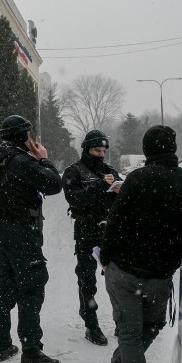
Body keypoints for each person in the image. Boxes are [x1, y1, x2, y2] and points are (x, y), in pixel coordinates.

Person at [92, 125, 182, 363]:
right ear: (173, 147)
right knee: (148, 329)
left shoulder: (138, 179)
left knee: (130, 335)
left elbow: (115, 221)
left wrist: (107, 257)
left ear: (148, 150)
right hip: (161, 274)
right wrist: (172, 259)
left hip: (127, 270)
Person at [0, 115, 64, 363]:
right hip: (23, 235)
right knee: (31, 290)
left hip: (2, 232)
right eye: (29, 134)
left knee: (3, 290)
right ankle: (31, 353)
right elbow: (53, 184)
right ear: (23, 136)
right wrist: (44, 159)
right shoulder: (20, 160)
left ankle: (2, 344)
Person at [62, 130, 121, 346]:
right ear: (87, 149)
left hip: (110, 232)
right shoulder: (73, 172)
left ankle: (121, 321)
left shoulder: (111, 171)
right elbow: (75, 200)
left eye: (104, 150)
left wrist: (119, 190)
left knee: (117, 280)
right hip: (86, 232)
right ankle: (91, 323)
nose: (101, 154)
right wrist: (100, 186)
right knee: (87, 280)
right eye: (97, 150)